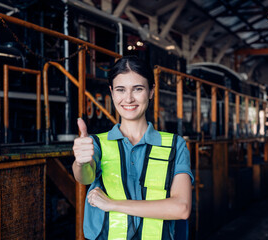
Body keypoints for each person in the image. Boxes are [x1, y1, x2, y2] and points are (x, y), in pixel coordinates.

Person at [72, 55, 193, 240]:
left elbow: (182, 208)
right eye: (121, 90)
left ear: (151, 91)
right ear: (112, 92)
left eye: (138, 89)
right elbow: (85, 176)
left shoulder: (175, 145)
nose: (128, 99)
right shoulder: (97, 143)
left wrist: (112, 204)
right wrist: (80, 162)